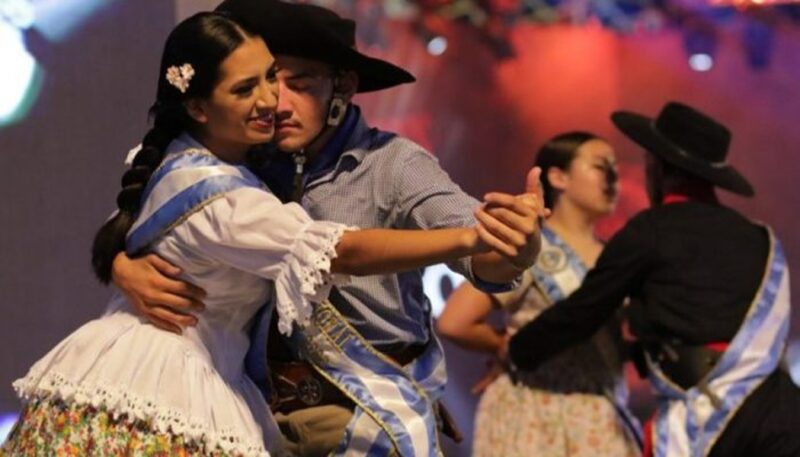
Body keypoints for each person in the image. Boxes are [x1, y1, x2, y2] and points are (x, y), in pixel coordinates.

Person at [0, 12, 537, 457]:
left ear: (342, 87)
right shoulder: (239, 159)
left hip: (355, 412)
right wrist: (122, 262)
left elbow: (478, 249)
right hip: (247, 409)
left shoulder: (393, 164)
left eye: (297, 85)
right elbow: (155, 214)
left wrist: (510, 244)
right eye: (260, 83)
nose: (275, 103)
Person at [508, 102, 800, 457]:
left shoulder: (651, 230)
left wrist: (517, 350)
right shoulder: (760, 238)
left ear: (658, 167)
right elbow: (710, 324)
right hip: (783, 414)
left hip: (711, 417)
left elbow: (583, 312)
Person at [437, 132, 641, 457]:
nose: (613, 177)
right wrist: (505, 347)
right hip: (536, 415)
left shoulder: (615, 257)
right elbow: (454, 321)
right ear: (559, 177)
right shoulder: (532, 247)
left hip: (601, 420)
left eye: (616, 167)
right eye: (601, 166)